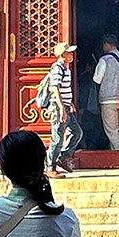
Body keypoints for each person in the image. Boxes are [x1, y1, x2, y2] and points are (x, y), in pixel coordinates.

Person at [42, 43, 81, 176]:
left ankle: (62, 157)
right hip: (59, 108)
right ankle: (50, 166)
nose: (71, 55)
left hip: (66, 106)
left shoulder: (66, 69)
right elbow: (55, 88)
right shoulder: (58, 69)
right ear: (62, 55)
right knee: (57, 137)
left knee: (77, 132)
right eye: (69, 53)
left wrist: (69, 104)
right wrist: (61, 108)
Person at [93, 35, 119, 151]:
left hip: (108, 99)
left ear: (106, 45)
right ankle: (115, 150)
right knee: (118, 129)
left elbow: (97, 79)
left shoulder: (104, 60)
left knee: (112, 130)